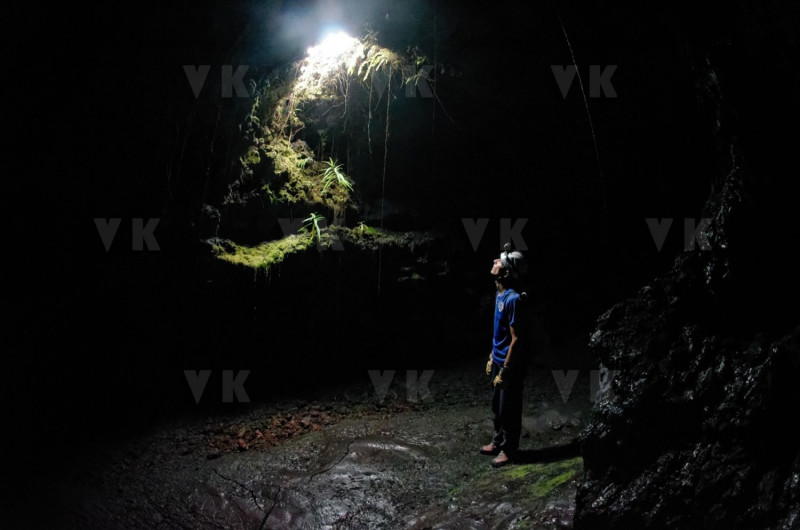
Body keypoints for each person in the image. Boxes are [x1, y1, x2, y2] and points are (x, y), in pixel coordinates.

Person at [480, 242, 529, 467]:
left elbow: (516, 339)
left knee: (508, 409)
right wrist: (492, 356)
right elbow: (499, 332)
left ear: (507, 271)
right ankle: (499, 441)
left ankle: (510, 450)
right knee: (496, 408)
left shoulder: (513, 299)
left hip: (511, 364)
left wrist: (507, 370)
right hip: (499, 360)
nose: (494, 262)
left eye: (498, 261)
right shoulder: (499, 294)